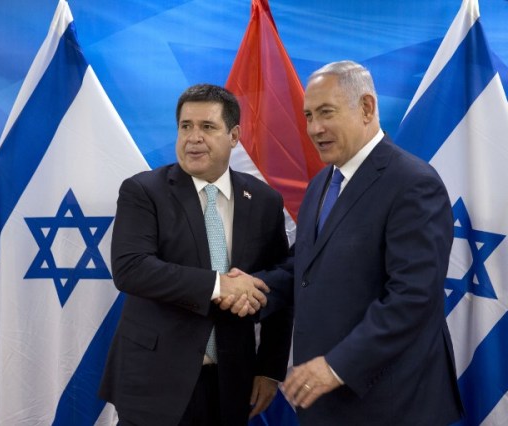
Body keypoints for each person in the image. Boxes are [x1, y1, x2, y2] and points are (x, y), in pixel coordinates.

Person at [257, 60, 463, 424]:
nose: (314, 128)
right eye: (308, 116)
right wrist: (252, 289)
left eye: (326, 113)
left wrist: (336, 366)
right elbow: (304, 267)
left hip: (393, 404)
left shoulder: (413, 183)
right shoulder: (322, 183)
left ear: (367, 107)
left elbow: (413, 296)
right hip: (326, 402)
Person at [99, 83, 293, 426]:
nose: (193, 137)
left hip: (232, 383)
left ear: (234, 136)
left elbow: (280, 284)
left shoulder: (264, 201)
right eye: (185, 126)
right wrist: (219, 286)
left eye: (207, 127)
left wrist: (269, 369)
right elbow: (131, 268)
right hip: (154, 381)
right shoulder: (144, 191)